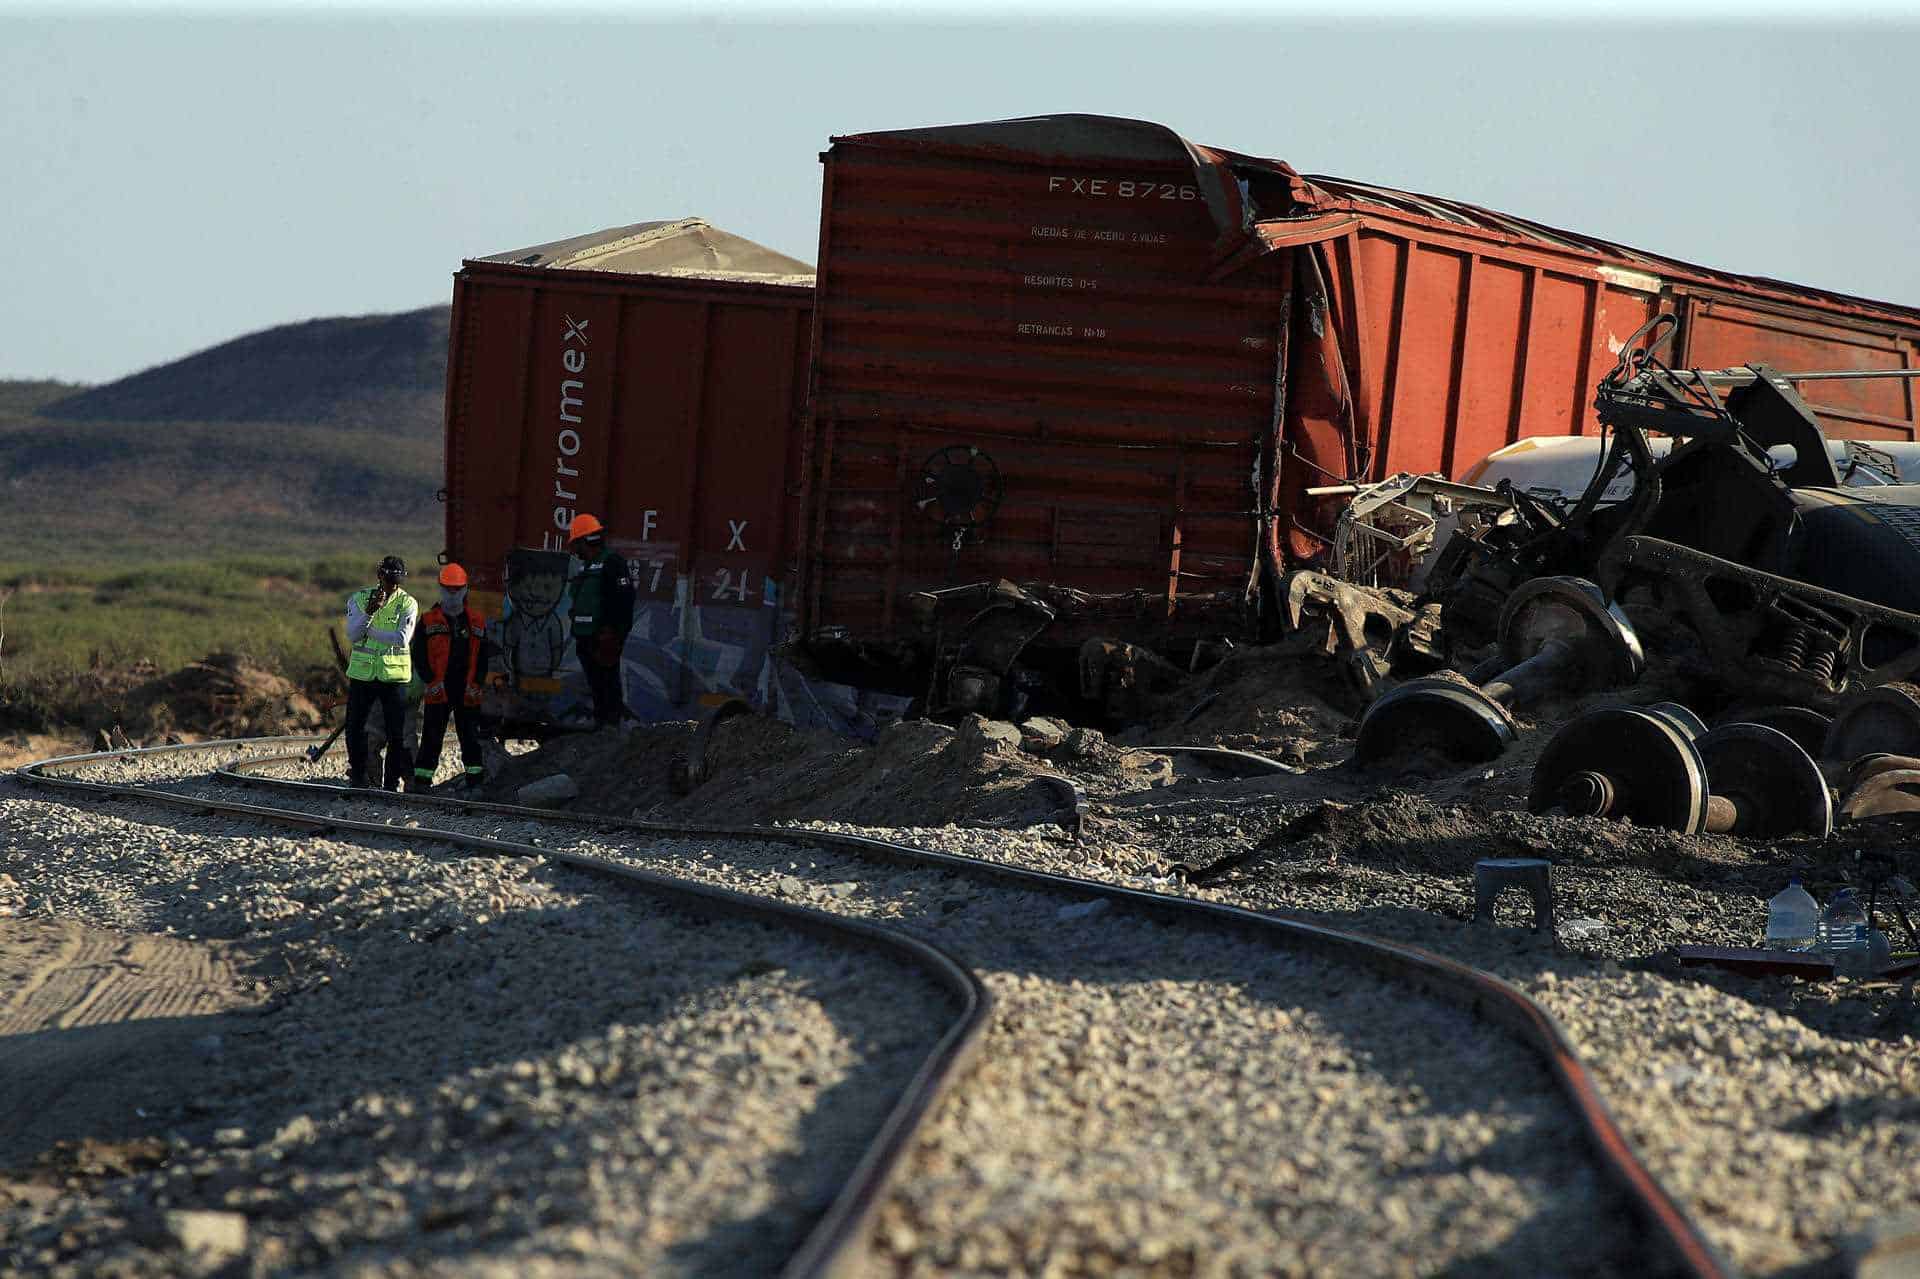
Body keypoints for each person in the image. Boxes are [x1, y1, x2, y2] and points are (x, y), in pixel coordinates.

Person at [410, 563, 490, 792]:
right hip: (439, 689)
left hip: (466, 690)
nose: (452, 594)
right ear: (440, 588)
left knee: (470, 738)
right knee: (432, 737)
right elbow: (419, 655)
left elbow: (483, 657)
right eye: (448, 589)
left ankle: (476, 782)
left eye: (457, 589)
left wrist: (477, 684)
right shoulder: (427, 620)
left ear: (465, 589)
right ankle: (422, 783)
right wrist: (429, 681)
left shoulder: (477, 621)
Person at [343, 555, 419, 789]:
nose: (391, 586)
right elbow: (353, 635)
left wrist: (369, 629)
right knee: (354, 729)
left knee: (396, 735)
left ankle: (390, 784)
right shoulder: (359, 599)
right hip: (363, 675)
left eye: (395, 582)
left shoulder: (408, 603)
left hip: (393, 677)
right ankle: (358, 776)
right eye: (387, 580)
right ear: (379, 576)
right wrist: (368, 613)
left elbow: (401, 639)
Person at [566, 513, 635, 726]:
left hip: (603, 641)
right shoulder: (587, 566)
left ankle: (610, 729)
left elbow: (624, 600)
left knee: (608, 687)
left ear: (586, 541)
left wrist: (614, 635)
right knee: (598, 689)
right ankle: (603, 727)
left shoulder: (612, 562)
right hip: (587, 641)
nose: (575, 550)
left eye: (576, 544)